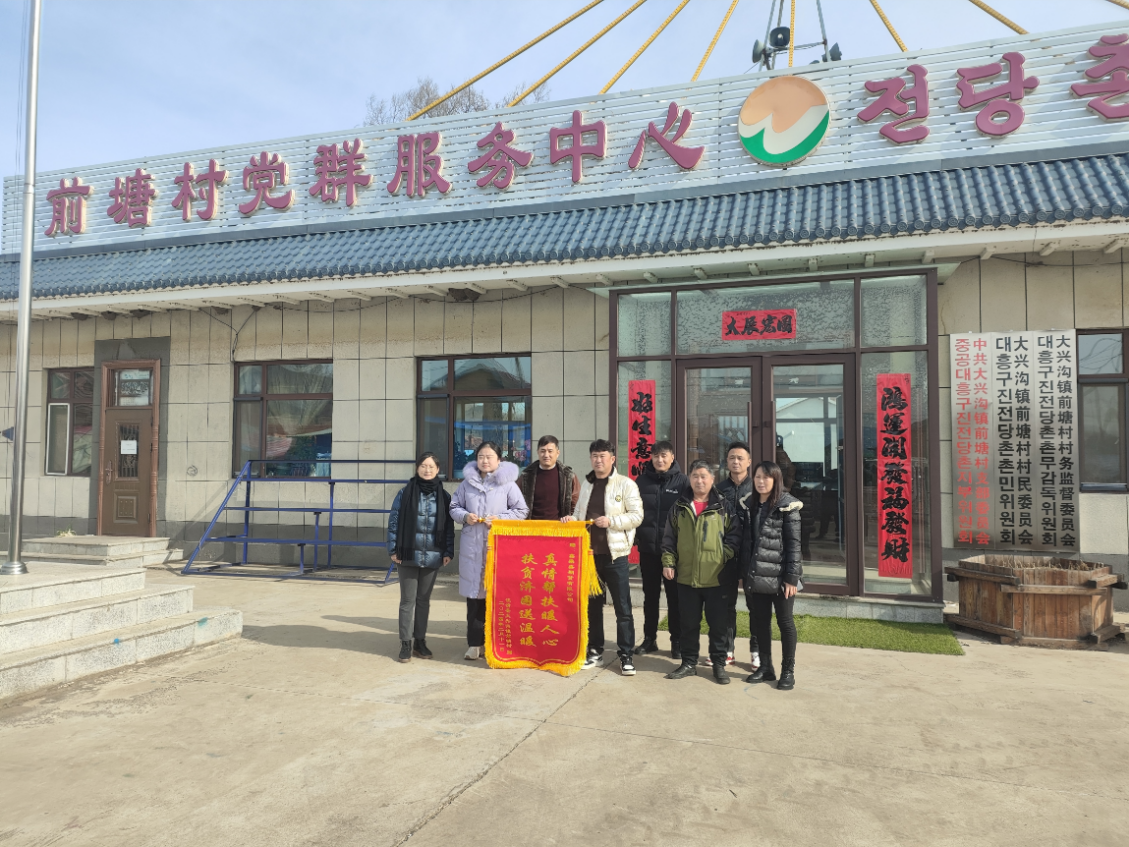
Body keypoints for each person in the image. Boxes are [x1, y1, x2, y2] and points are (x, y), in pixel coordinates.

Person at [563, 439, 643, 677]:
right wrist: (571, 520)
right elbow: (580, 514)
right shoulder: (587, 484)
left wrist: (612, 521)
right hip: (590, 557)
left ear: (612, 459)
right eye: (595, 456)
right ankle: (595, 651)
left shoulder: (625, 484)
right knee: (593, 607)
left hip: (615, 556)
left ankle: (626, 655)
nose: (598, 460)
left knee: (623, 608)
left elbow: (637, 516)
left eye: (602, 456)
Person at [661, 461, 741, 685]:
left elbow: (735, 537)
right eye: (695, 476)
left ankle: (719, 665)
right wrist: (668, 563)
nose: (699, 480)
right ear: (690, 478)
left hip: (717, 577)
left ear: (712, 479)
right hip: (686, 577)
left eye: (704, 476)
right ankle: (688, 663)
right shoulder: (679, 506)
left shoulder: (723, 507)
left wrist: (721, 556)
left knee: (718, 626)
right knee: (688, 624)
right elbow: (669, 539)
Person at [450, 441, 529, 660]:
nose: (485, 461)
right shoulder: (467, 484)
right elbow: (454, 507)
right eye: (481, 457)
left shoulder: (508, 484)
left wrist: (500, 519)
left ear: (499, 460)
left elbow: (521, 510)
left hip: (498, 548)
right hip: (472, 548)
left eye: (489, 456)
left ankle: (494, 643)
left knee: (497, 598)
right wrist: (465, 516)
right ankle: (474, 644)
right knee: (474, 598)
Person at [740, 460, 803, 690]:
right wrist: (745, 573)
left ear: (776, 480)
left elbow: (794, 545)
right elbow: (746, 544)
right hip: (758, 574)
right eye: (757, 477)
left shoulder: (787, 505)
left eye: (766, 477)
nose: (761, 481)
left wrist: (791, 578)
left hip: (781, 577)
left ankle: (788, 671)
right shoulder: (749, 505)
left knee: (785, 622)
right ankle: (766, 667)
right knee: (761, 622)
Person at [387, 452, 455, 662]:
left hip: (433, 555)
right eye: (423, 466)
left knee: (423, 601)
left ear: (438, 470)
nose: (427, 470)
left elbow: (449, 527)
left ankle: (420, 642)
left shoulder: (444, 496)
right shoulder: (405, 492)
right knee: (408, 600)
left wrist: (448, 551)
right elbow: (394, 522)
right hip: (407, 554)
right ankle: (405, 643)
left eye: (431, 466)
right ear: (417, 468)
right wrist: (393, 549)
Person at [632, 441, 690, 658]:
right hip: (648, 549)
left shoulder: (683, 482)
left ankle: (677, 642)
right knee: (650, 597)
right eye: (656, 456)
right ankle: (650, 639)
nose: (660, 459)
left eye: (664, 455)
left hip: (673, 553)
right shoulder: (641, 481)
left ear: (672, 457)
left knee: (675, 598)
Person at [716, 441, 756, 669]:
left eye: (740, 458)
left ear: (749, 462)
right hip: (727, 555)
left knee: (755, 606)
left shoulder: (758, 489)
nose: (736, 461)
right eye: (732, 457)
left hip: (751, 555)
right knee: (726, 605)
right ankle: (727, 650)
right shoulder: (719, 489)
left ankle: (757, 652)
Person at [517, 434, 580, 521]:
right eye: (543, 451)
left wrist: (572, 518)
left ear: (557, 453)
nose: (546, 455)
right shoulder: (526, 476)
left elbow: (576, 504)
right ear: (538, 452)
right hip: (532, 526)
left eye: (550, 451)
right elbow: (515, 501)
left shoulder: (568, 476)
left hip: (560, 526)